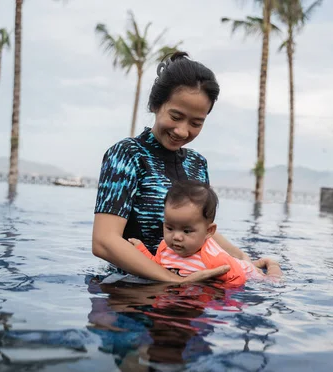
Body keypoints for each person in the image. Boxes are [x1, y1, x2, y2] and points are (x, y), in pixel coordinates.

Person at [92, 51, 249, 283]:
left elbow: (201, 231)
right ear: (156, 105)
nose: (183, 131)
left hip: (189, 286)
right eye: (176, 116)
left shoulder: (197, 164)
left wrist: (244, 260)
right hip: (131, 293)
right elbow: (104, 241)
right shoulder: (127, 154)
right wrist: (172, 280)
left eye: (196, 123)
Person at [128, 181, 283, 285]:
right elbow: (158, 264)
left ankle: (270, 263)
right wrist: (141, 250)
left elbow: (238, 279)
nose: (176, 236)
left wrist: (219, 295)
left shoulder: (214, 260)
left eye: (187, 231)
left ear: (209, 231)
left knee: (272, 282)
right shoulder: (165, 247)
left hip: (242, 271)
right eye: (169, 228)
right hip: (232, 264)